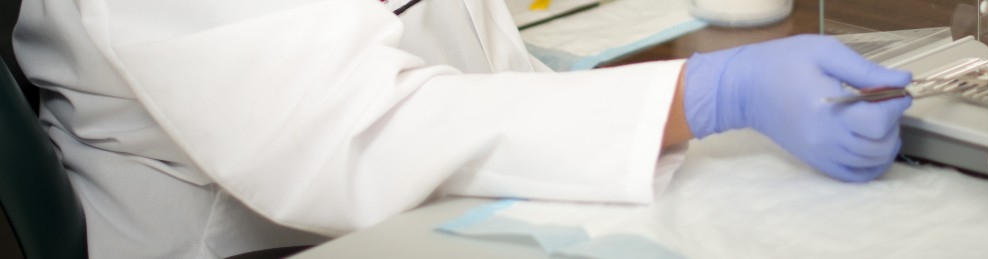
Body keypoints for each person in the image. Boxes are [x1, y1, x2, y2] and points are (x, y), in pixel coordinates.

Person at [12, 0, 912, 257]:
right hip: (244, 238)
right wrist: (705, 93)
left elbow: (453, 50)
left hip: (432, 211)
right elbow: (351, 127)